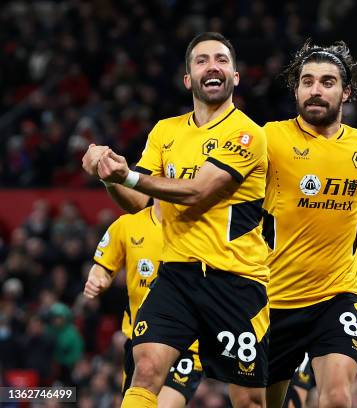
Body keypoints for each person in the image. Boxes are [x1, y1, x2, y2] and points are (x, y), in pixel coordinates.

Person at [81, 32, 269, 408]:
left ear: (235, 76)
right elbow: (137, 202)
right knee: (146, 367)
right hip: (176, 277)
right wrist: (106, 173)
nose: (212, 66)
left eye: (221, 60)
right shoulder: (165, 131)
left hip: (236, 280)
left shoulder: (248, 133)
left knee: (249, 400)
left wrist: (126, 174)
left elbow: (199, 190)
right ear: (188, 78)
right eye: (202, 60)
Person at [263, 40, 357, 408]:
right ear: (296, 89)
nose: (316, 90)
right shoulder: (270, 139)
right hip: (274, 300)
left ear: (347, 91)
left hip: (336, 296)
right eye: (307, 82)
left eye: (327, 82)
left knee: (337, 398)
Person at [83, 199, 203, 407]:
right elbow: (102, 265)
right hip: (139, 342)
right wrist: (98, 277)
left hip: (187, 344)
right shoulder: (127, 225)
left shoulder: (200, 225)